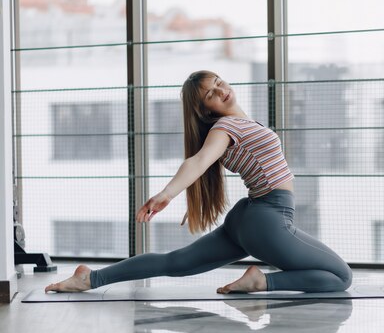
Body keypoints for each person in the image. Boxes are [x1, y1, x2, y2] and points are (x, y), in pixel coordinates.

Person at [45, 70, 352, 295]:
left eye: (218, 82)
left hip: (250, 216)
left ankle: (91, 278)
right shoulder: (226, 127)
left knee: (175, 262)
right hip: (267, 218)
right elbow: (200, 161)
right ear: (206, 109)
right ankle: (263, 281)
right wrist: (167, 193)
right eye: (210, 94)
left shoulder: (239, 123)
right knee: (340, 277)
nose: (220, 90)